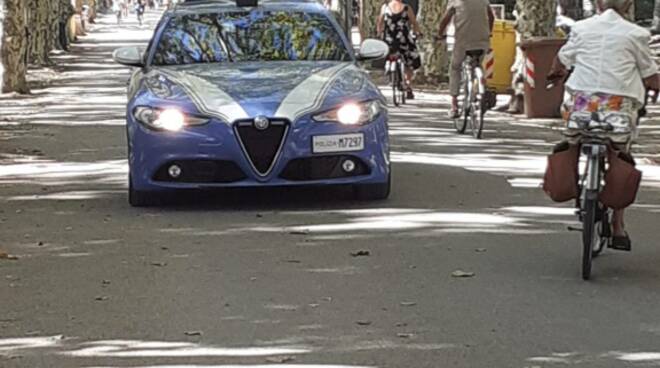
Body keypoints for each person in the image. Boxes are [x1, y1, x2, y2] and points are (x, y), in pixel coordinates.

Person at [548, 0, 659, 250]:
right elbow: (650, 75)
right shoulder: (636, 34)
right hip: (618, 116)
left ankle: (572, 185)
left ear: (598, 2)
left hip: (580, 112)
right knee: (621, 153)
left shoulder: (582, 29)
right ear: (628, 4)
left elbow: (562, 60)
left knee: (573, 141)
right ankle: (618, 226)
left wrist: (555, 75)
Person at [438, 0, 494, 118]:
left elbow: (445, 20)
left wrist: (440, 34)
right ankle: (482, 89)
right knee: (478, 63)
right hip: (482, 41)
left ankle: (454, 105)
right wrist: (489, 32)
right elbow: (491, 16)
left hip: (463, 42)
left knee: (455, 67)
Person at [377, 0, 423, 99]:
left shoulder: (385, 7)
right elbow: (414, 22)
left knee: (390, 55)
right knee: (409, 61)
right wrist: (418, 33)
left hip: (389, 40)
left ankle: (390, 69)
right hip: (404, 39)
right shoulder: (406, 8)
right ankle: (408, 84)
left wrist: (379, 33)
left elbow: (380, 22)